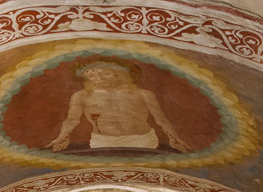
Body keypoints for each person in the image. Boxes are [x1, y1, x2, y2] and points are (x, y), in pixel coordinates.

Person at [49, 58, 190, 153]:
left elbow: (161, 119)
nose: (99, 79)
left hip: (141, 139)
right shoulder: (81, 96)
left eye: (106, 74)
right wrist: (62, 138)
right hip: (103, 141)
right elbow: (72, 120)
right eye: (92, 76)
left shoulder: (143, 94)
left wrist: (174, 138)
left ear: (121, 75)